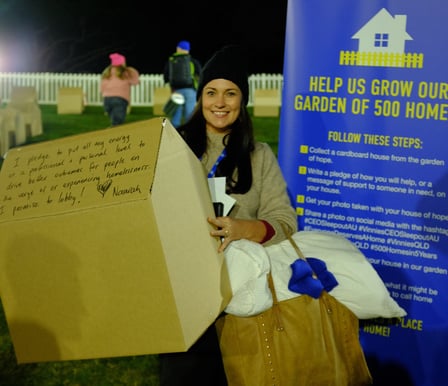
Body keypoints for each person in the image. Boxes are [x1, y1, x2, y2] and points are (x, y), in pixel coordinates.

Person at [158, 45, 297, 385]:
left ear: (242, 99)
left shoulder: (259, 155)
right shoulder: (172, 146)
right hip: (182, 294)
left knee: (232, 375)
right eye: (211, 92)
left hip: (240, 296)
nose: (220, 103)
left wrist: (242, 228)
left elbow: (285, 222)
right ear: (200, 96)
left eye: (230, 93)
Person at [163, 40, 202, 127]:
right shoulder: (192, 61)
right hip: (190, 89)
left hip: (176, 90)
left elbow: (166, 75)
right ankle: (190, 132)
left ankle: (175, 131)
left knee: (177, 112)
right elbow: (199, 73)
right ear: (188, 49)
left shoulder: (172, 60)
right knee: (190, 112)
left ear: (178, 48)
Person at [100, 52, 140, 126]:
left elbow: (102, 86)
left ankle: (113, 133)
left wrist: (103, 93)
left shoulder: (107, 72)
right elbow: (135, 81)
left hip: (107, 99)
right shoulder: (126, 72)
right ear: (122, 62)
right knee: (118, 123)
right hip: (120, 99)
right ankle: (113, 135)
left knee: (114, 120)